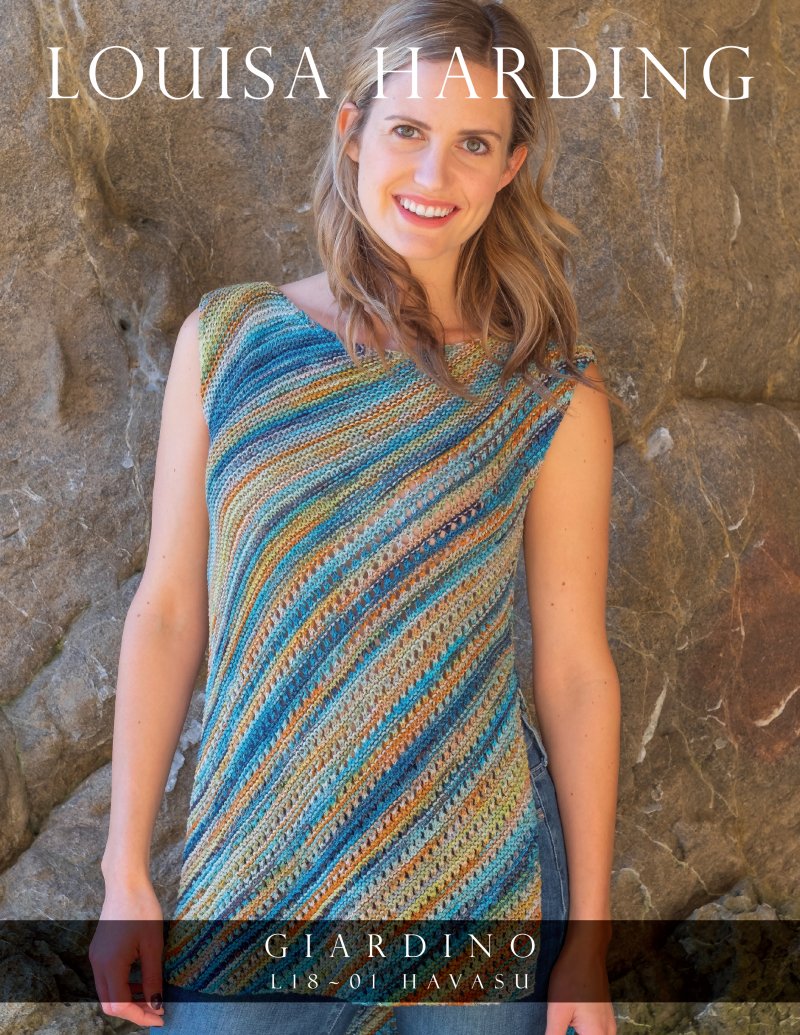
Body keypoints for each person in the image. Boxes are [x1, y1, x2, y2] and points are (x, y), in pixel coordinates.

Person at [89, 1, 621, 1033]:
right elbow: (167, 611)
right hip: (255, 874)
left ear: (511, 166)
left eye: (474, 144)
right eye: (407, 130)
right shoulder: (230, 340)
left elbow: (573, 671)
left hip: (470, 882)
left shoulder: (551, 393)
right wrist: (125, 874)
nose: (433, 174)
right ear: (352, 131)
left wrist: (587, 945)